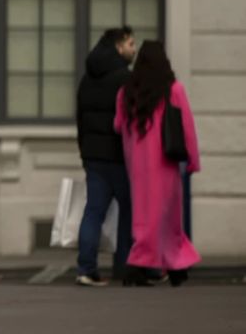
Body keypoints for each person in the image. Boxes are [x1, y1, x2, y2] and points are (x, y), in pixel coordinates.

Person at [115, 40, 201, 287]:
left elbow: (118, 125)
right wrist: (193, 161)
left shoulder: (126, 92)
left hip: (136, 163)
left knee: (143, 215)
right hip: (165, 161)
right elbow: (187, 129)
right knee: (170, 217)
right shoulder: (173, 90)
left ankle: (153, 265)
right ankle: (167, 265)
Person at [74, 26, 137, 286]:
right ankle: (123, 268)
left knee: (93, 212)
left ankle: (86, 268)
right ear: (119, 46)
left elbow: (79, 119)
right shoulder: (126, 78)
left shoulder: (86, 79)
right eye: (131, 43)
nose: (134, 49)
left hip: (93, 157)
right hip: (120, 157)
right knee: (128, 211)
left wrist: (84, 151)